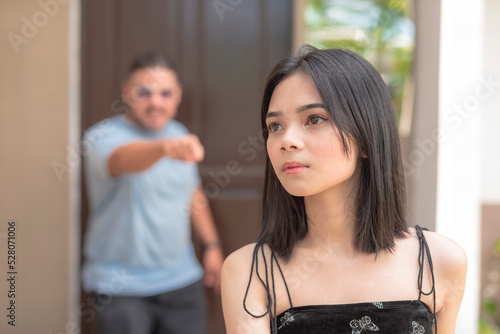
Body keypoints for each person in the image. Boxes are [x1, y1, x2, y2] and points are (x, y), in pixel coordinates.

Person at [221, 46, 467, 334]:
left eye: (314, 119)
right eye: (275, 125)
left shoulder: (439, 261)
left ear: (366, 136)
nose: (287, 140)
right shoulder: (252, 272)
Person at [82, 51, 224, 334]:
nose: (155, 102)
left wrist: (212, 245)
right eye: (143, 93)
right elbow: (122, 161)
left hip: (182, 281)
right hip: (120, 286)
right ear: (126, 93)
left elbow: (192, 193)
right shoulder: (101, 137)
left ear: (178, 95)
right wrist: (165, 148)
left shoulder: (179, 132)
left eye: (165, 93)